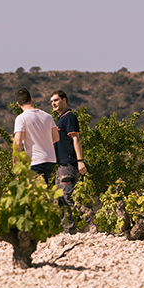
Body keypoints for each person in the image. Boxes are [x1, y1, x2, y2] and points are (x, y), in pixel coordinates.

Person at [50, 90, 87, 234]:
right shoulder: (60, 118)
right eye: (52, 101)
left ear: (64, 100)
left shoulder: (70, 117)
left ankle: (92, 222)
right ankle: (69, 230)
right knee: (59, 199)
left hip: (70, 163)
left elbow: (76, 139)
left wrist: (80, 161)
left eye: (56, 100)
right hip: (61, 164)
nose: (53, 103)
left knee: (69, 196)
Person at [13, 87, 58, 183]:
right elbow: (56, 137)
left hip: (36, 161)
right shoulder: (48, 116)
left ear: (18, 104)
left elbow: (18, 142)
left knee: (38, 195)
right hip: (51, 160)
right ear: (31, 99)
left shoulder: (21, 118)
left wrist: (15, 162)